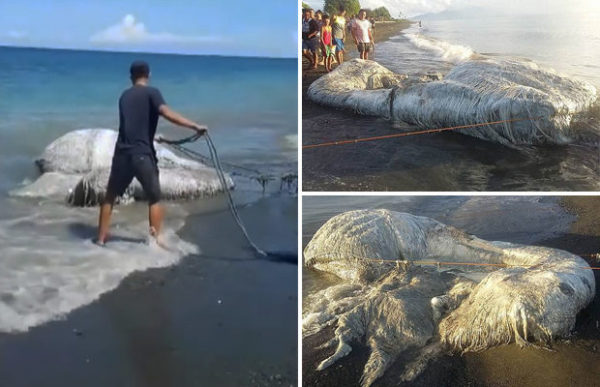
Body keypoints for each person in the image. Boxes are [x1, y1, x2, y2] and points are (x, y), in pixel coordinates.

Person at [96, 60, 206, 246]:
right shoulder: (152, 93)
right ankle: (154, 244)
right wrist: (194, 126)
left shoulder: (124, 96)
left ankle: (100, 240)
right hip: (142, 155)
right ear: (149, 75)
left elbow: (133, 124)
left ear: (131, 76)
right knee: (154, 199)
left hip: (122, 153)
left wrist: (155, 136)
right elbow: (167, 113)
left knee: (109, 197)